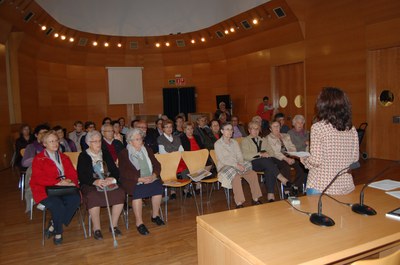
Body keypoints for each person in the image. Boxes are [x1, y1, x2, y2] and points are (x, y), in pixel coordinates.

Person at [300, 87, 359, 195]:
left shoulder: (318, 127)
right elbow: (355, 159)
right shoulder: (352, 129)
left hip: (321, 186)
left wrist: (304, 160)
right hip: (345, 186)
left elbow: (316, 161)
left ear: (323, 105)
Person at [30, 130, 80, 245]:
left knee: (76, 199)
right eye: (51, 141)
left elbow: (73, 173)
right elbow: (38, 179)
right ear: (44, 144)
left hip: (64, 188)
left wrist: (69, 180)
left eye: (56, 140)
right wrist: (57, 183)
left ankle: (53, 223)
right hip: (45, 189)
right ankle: (58, 231)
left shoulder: (64, 157)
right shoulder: (39, 159)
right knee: (58, 205)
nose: (55, 143)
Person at [77, 130, 125, 240]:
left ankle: (113, 226)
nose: (98, 144)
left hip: (106, 181)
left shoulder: (105, 153)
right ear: (88, 143)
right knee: (93, 196)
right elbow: (82, 176)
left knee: (120, 193)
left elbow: (115, 170)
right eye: (95, 141)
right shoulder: (83, 156)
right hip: (91, 183)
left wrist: (112, 178)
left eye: (99, 141)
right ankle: (97, 228)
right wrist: (95, 182)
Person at [119, 128, 165, 235]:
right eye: (137, 139)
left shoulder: (147, 150)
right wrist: (139, 179)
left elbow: (157, 165)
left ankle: (155, 216)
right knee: (138, 192)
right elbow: (124, 172)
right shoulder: (124, 153)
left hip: (150, 177)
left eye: (141, 139)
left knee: (158, 187)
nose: (140, 141)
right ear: (130, 142)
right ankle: (139, 223)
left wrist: (153, 176)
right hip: (133, 181)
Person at [241, 122, 293, 202]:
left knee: (272, 165)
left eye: (257, 129)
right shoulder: (245, 141)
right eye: (253, 129)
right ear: (249, 130)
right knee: (267, 162)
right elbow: (245, 155)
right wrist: (260, 154)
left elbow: (272, 152)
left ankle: (271, 194)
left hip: (266, 162)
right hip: (252, 162)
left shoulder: (263, 140)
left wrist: (267, 154)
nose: (255, 130)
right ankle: (281, 178)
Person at [214, 123, 263, 208]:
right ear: (222, 131)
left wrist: (240, 163)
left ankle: (255, 199)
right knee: (235, 177)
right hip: (225, 167)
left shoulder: (234, 142)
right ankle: (239, 202)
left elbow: (239, 155)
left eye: (231, 129)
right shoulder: (218, 144)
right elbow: (223, 159)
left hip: (237, 165)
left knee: (252, 174)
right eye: (227, 129)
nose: (230, 131)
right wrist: (236, 165)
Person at [266, 121, 307, 193]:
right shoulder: (268, 138)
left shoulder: (286, 135)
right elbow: (275, 152)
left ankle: (296, 186)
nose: (276, 128)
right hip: (277, 157)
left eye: (278, 126)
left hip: (289, 155)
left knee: (303, 165)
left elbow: (292, 146)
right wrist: (286, 159)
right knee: (286, 167)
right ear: (270, 129)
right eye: (274, 126)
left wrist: (292, 155)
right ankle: (287, 191)